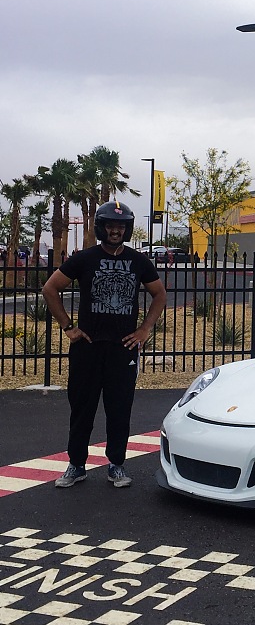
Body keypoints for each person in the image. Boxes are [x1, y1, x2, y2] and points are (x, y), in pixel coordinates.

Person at [42, 201, 167, 489]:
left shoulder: (138, 261)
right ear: (101, 227)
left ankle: (116, 465)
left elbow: (159, 294)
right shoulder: (84, 258)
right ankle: (76, 465)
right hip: (87, 347)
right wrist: (68, 327)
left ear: (127, 229)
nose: (115, 230)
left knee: (119, 408)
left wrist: (145, 329)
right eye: (111, 225)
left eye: (120, 226)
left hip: (122, 349)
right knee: (82, 408)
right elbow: (50, 288)